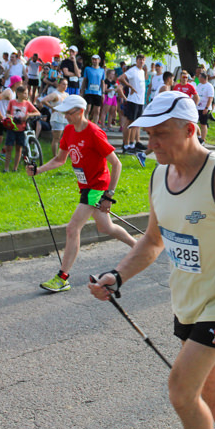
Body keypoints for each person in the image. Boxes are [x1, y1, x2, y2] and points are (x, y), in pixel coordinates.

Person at [88, 91, 215, 429]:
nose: (152, 145)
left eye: (161, 135)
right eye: (148, 136)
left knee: (182, 391)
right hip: (186, 303)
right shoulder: (159, 175)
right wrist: (118, 275)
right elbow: (152, 241)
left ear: (190, 129)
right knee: (212, 383)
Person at [27, 95, 136, 293]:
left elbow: (116, 163)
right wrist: (38, 170)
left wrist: (108, 196)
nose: (66, 117)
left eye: (69, 113)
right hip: (85, 186)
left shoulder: (94, 133)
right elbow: (60, 160)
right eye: (64, 113)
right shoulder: (69, 131)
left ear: (80, 112)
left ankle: (63, 277)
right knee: (106, 228)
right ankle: (138, 248)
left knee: (72, 228)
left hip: (97, 186)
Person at [3, 85, 40, 172]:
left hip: (22, 128)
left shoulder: (27, 103)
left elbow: (37, 113)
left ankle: (15, 168)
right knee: (9, 147)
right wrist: (11, 117)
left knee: (19, 148)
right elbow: (7, 113)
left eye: (27, 93)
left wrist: (28, 115)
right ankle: (6, 167)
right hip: (12, 128)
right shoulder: (12, 102)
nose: (26, 95)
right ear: (18, 94)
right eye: (25, 93)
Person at [0, 76, 22, 163]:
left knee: (4, 139)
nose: (21, 85)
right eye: (20, 83)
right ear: (16, 83)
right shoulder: (8, 92)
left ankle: (0, 154)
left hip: (5, 118)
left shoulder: (13, 93)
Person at [118, 56, 147, 154]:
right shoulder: (133, 70)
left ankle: (132, 144)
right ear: (136, 60)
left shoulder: (142, 71)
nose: (141, 61)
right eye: (140, 59)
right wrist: (130, 86)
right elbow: (121, 78)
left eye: (143, 60)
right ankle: (125, 145)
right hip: (133, 100)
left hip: (140, 101)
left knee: (136, 123)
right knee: (129, 123)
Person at [39, 78, 69, 157]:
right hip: (56, 118)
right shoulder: (55, 94)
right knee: (56, 138)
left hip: (65, 118)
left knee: (66, 138)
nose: (65, 86)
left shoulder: (66, 94)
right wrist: (52, 107)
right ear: (59, 84)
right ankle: (55, 155)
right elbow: (43, 100)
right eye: (63, 84)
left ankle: (63, 154)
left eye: (66, 84)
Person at [81, 54, 106, 124]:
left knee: (97, 110)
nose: (94, 61)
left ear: (99, 60)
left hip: (98, 92)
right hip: (89, 92)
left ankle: (95, 126)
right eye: (93, 59)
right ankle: (86, 124)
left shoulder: (102, 70)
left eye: (96, 59)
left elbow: (102, 82)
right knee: (87, 109)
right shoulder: (87, 69)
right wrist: (82, 91)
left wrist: (103, 93)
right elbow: (84, 80)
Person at [195, 72, 215, 141]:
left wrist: (206, 108)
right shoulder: (199, 85)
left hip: (204, 108)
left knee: (203, 124)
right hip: (198, 107)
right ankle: (199, 136)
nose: (198, 78)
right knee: (196, 122)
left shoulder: (209, 86)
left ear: (203, 78)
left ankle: (203, 139)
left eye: (199, 77)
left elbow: (210, 98)